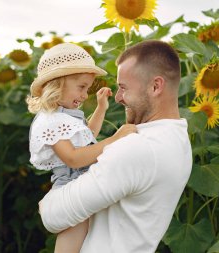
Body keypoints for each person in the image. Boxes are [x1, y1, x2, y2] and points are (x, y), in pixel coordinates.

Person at [39, 40, 193, 253]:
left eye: (123, 88)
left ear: (156, 86)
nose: (118, 97)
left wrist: (45, 204)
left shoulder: (138, 148)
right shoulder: (178, 138)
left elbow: (53, 216)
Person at [27, 42, 137, 253]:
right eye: (81, 87)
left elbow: (87, 137)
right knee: (73, 237)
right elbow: (74, 159)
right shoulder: (50, 120)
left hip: (79, 181)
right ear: (57, 84)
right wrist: (115, 139)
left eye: (87, 88)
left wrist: (101, 108)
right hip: (69, 184)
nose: (85, 94)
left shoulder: (62, 116)